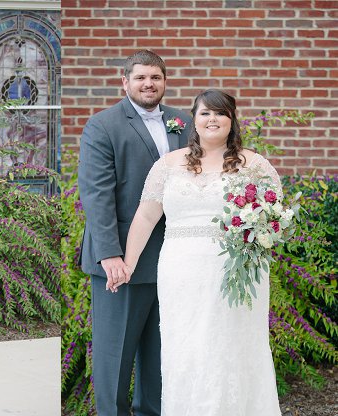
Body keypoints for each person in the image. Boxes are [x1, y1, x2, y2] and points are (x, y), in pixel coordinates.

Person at [118, 89, 281, 414]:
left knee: (232, 345)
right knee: (187, 347)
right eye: (206, 113)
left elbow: (274, 217)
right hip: (182, 271)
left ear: (231, 120)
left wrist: (255, 238)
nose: (212, 119)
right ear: (194, 118)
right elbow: (147, 216)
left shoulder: (255, 165)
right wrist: (128, 264)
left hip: (236, 271)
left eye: (220, 113)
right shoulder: (168, 164)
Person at [77, 50, 192, 415]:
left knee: (160, 358)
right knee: (116, 356)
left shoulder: (185, 122)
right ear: (124, 82)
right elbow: (96, 194)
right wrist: (110, 254)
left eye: (155, 77)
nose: (148, 84)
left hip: (172, 259)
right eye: (140, 77)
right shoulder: (103, 125)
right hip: (122, 261)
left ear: (164, 81)